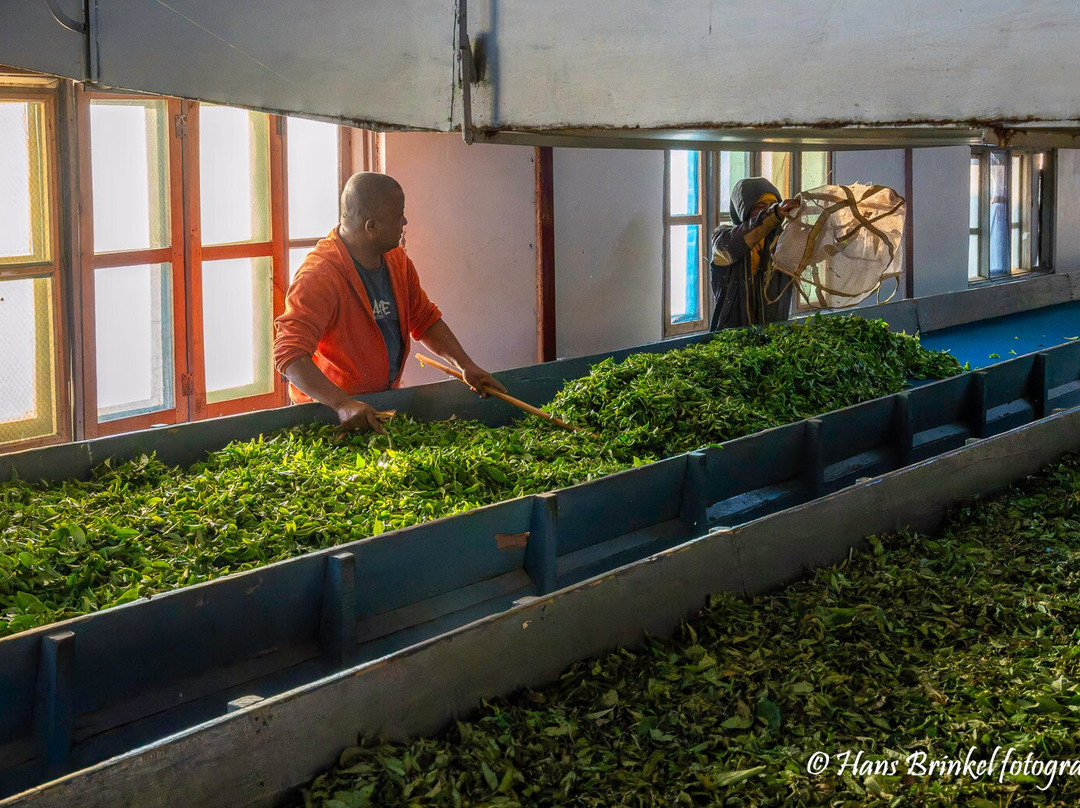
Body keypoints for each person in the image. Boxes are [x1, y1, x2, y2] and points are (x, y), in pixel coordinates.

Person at [273, 172, 506, 433]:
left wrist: (466, 365)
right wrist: (342, 404)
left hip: (378, 407)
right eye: (399, 214)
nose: (404, 221)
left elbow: (425, 320)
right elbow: (289, 356)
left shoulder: (396, 261)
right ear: (371, 227)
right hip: (330, 419)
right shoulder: (320, 275)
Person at [709, 177, 801, 331]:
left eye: (772, 205)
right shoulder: (722, 238)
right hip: (731, 336)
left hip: (774, 335)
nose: (767, 210)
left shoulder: (781, 241)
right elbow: (739, 240)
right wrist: (774, 213)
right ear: (743, 210)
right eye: (760, 206)